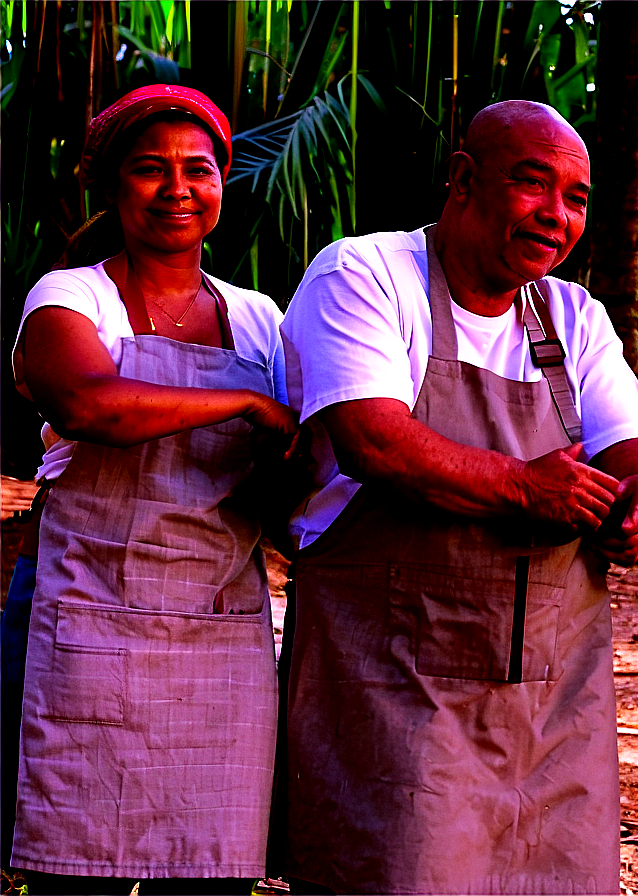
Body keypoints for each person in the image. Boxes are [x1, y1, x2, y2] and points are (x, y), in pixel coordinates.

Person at [278, 100, 638, 894]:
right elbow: (375, 440)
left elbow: (637, 449)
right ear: (462, 180)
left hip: (555, 706)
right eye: (533, 185)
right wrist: (529, 486)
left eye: (576, 197)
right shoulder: (365, 274)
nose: (555, 215)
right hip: (396, 689)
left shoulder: (572, 315)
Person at [8, 84, 300, 895]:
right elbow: (88, 403)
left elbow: (286, 473)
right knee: (73, 869)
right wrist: (245, 400)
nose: (177, 188)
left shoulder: (258, 319)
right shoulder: (70, 297)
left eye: (196, 169)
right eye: (148, 169)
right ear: (109, 185)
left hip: (219, 623)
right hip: (86, 615)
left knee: (209, 869)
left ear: (220, 183)